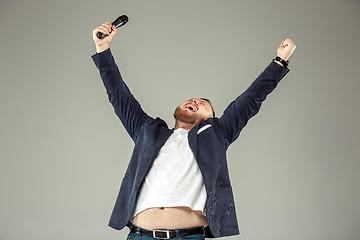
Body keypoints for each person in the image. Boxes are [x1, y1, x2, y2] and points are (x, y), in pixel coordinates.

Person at [92, 22, 296, 240]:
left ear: (211, 119)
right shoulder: (147, 131)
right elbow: (118, 95)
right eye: (191, 99)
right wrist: (103, 48)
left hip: (188, 236)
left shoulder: (217, 134)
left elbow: (250, 99)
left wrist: (280, 61)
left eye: (202, 103)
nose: (194, 101)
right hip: (140, 235)